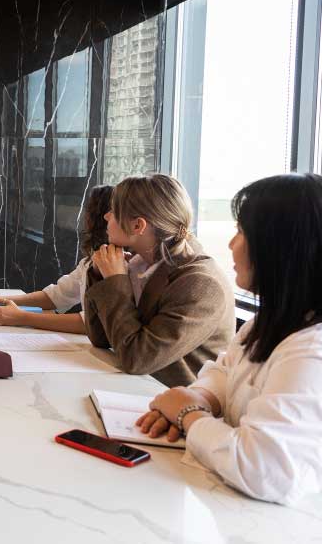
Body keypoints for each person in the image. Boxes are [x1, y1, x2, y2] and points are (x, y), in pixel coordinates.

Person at [137, 173, 322, 505]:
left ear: (278, 247)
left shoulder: (312, 351)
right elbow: (224, 373)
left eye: (241, 232)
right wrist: (198, 397)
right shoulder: (267, 323)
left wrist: (188, 415)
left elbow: (263, 468)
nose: (231, 244)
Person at [83, 173, 234, 386]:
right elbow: (100, 338)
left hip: (175, 404)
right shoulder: (140, 265)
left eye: (114, 211)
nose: (106, 217)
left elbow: (137, 359)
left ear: (138, 226)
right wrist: (101, 275)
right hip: (139, 390)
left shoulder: (202, 285)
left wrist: (115, 282)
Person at [0, 185, 113, 333]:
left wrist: (21, 317)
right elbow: (56, 296)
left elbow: (92, 323)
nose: (83, 217)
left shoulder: (124, 264)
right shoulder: (92, 261)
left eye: (88, 210)